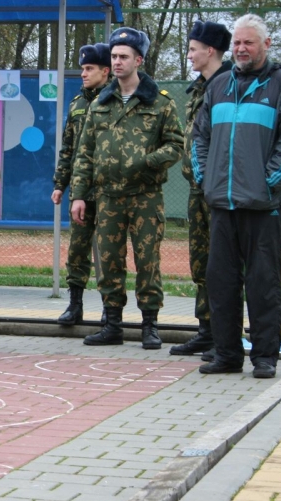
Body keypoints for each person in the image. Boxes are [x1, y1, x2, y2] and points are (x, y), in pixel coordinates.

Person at [192, 14, 281, 378]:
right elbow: (199, 139)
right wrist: (207, 180)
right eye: (237, 43)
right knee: (221, 283)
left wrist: (265, 185)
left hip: (264, 208)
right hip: (222, 206)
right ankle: (227, 356)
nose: (241, 49)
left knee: (263, 285)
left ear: (266, 45)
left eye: (249, 43)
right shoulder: (219, 85)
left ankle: (264, 357)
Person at [70, 27, 184, 349]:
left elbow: (176, 144)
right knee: (109, 261)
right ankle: (113, 325)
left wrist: (147, 162)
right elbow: (85, 153)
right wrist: (79, 195)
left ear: (139, 60)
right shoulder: (100, 103)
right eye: (114, 57)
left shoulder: (159, 103)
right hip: (107, 197)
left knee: (147, 260)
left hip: (145, 196)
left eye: (123, 57)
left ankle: (149, 326)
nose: (117, 62)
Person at [168, 20, 233, 357]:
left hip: (219, 190)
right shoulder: (199, 88)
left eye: (193, 49)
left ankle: (225, 335)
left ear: (210, 51)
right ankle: (206, 330)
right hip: (198, 187)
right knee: (201, 262)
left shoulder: (228, 86)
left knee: (221, 264)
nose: (189, 54)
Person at [52, 43, 111, 327]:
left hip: (110, 189)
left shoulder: (116, 100)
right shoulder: (77, 103)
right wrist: (60, 183)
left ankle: (110, 310)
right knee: (77, 249)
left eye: (89, 69)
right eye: (82, 69)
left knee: (111, 252)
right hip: (80, 192)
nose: (83, 74)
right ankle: (75, 306)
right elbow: (68, 148)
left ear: (105, 71)